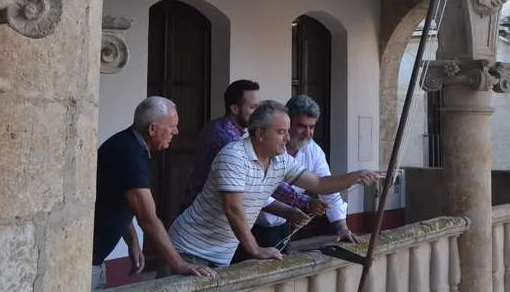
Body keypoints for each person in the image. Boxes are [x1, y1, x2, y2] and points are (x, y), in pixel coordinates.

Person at [162, 100, 381, 273]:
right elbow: (233, 208)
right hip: (188, 249)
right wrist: (256, 250)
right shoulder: (233, 155)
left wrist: (356, 176)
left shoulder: (280, 159)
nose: (287, 138)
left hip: (220, 255)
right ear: (259, 134)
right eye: (281, 132)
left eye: (287, 131)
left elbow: (319, 184)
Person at [180, 80, 328, 263]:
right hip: (203, 230)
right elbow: (259, 185)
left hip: (224, 229)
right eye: (254, 107)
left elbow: (319, 181)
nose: (259, 112)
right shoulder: (230, 143)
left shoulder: (238, 134)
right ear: (235, 109)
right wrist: (303, 202)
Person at [90, 97, 215, 290]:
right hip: (88, 262)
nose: (176, 131)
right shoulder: (128, 153)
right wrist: (180, 264)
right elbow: (148, 218)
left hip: (97, 259)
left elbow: (121, 199)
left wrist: (133, 242)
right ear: (152, 129)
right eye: (172, 126)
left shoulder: (132, 146)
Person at [239, 95, 359, 259]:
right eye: (302, 126)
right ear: (288, 123)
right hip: (247, 226)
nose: (307, 133)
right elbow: (260, 189)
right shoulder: (258, 148)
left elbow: (324, 186)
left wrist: (342, 228)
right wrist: (295, 207)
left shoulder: (313, 151)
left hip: (280, 227)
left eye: (312, 127)